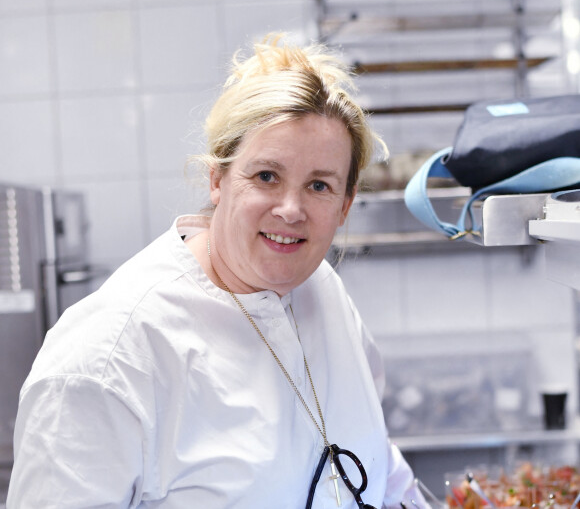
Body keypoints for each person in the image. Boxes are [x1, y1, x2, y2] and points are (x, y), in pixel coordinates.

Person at [7, 33, 429, 508]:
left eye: (319, 185)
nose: (291, 210)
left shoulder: (322, 289)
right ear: (217, 179)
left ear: (345, 205)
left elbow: (374, 462)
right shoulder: (111, 357)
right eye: (266, 176)